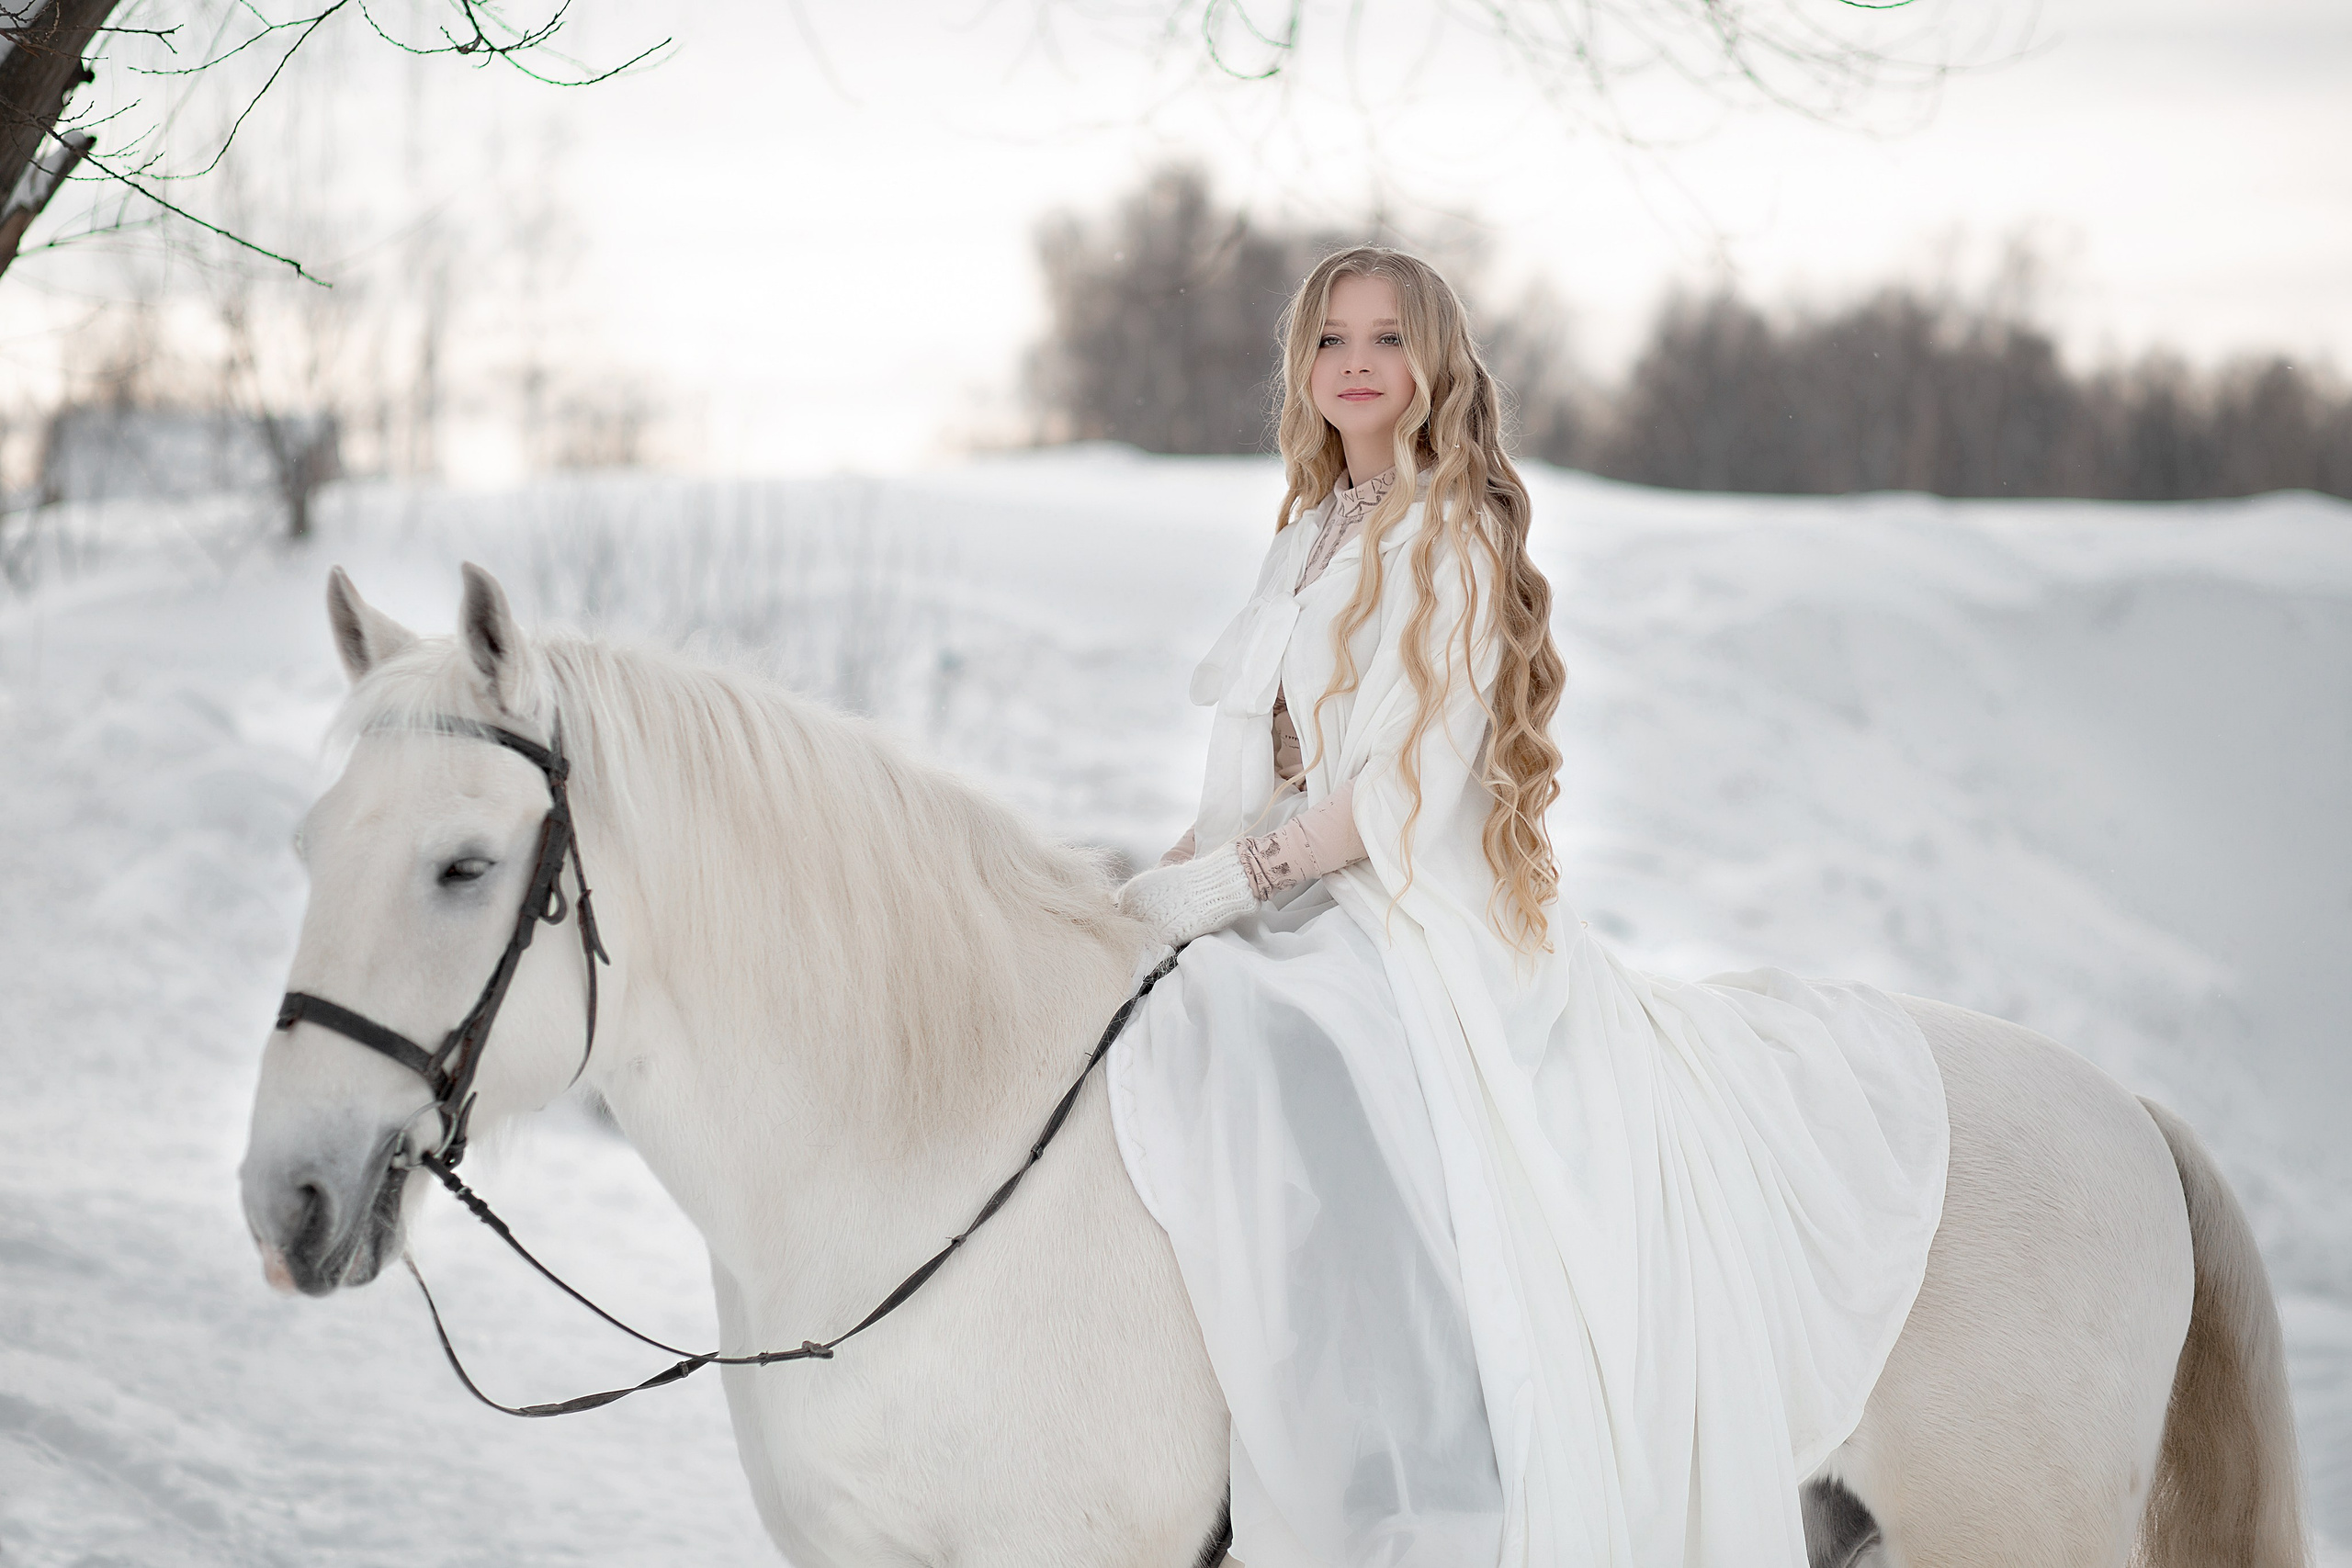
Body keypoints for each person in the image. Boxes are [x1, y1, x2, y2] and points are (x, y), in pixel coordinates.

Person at [1107, 246, 1950, 1568]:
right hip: (1300, 881)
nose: (1356, 364)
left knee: (1315, 1052)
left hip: (1408, 907)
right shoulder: (1307, 532)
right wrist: (1144, 894)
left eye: (1386, 339)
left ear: (1434, 359)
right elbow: (1261, 773)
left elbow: (1401, 793)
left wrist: (1228, 883)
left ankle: (1426, 1465)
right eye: (1331, 341)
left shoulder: (1448, 532)